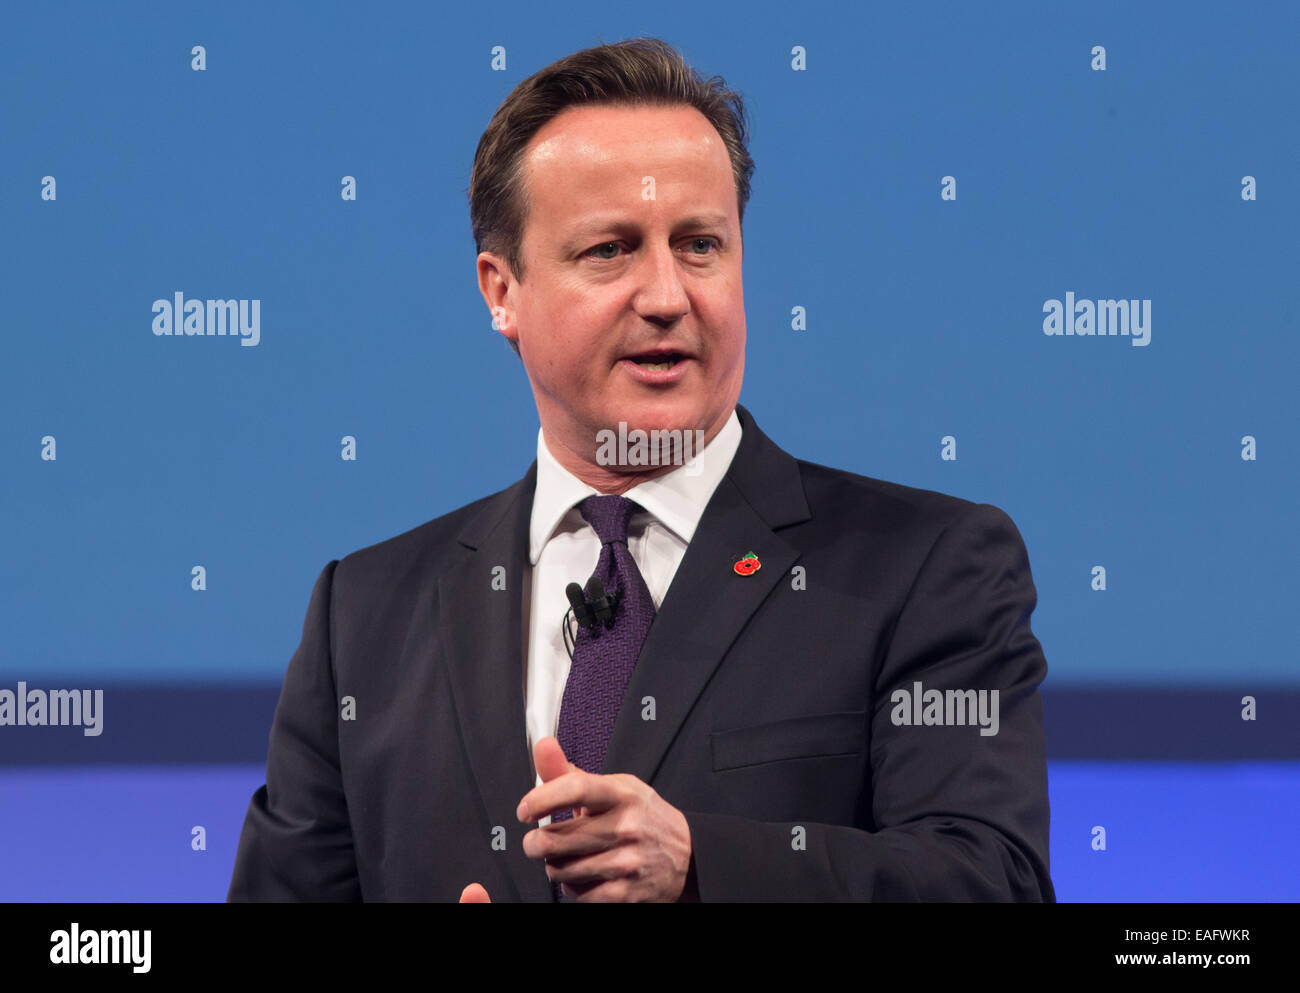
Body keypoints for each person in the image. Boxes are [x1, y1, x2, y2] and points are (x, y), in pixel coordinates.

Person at [228, 37, 1055, 903]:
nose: (667, 295)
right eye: (611, 250)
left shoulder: (924, 569)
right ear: (500, 291)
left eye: (700, 245)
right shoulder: (362, 618)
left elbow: (990, 882)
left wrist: (701, 866)